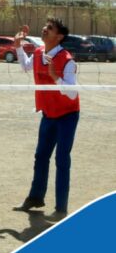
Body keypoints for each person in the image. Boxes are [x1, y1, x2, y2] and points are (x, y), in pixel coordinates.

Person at [14, 19, 80, 221]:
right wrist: (18, 47)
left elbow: (72, 93)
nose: (44, 29)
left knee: (62, 159)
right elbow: (26, 66)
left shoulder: (67, 60)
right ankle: (35, 198)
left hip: (67, 115)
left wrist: (55, 77)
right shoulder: (38, 53)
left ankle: (61, 208)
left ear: (59, 36)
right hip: (48, 114)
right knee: (41, 156)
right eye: (45, 26)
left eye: (49, 28)